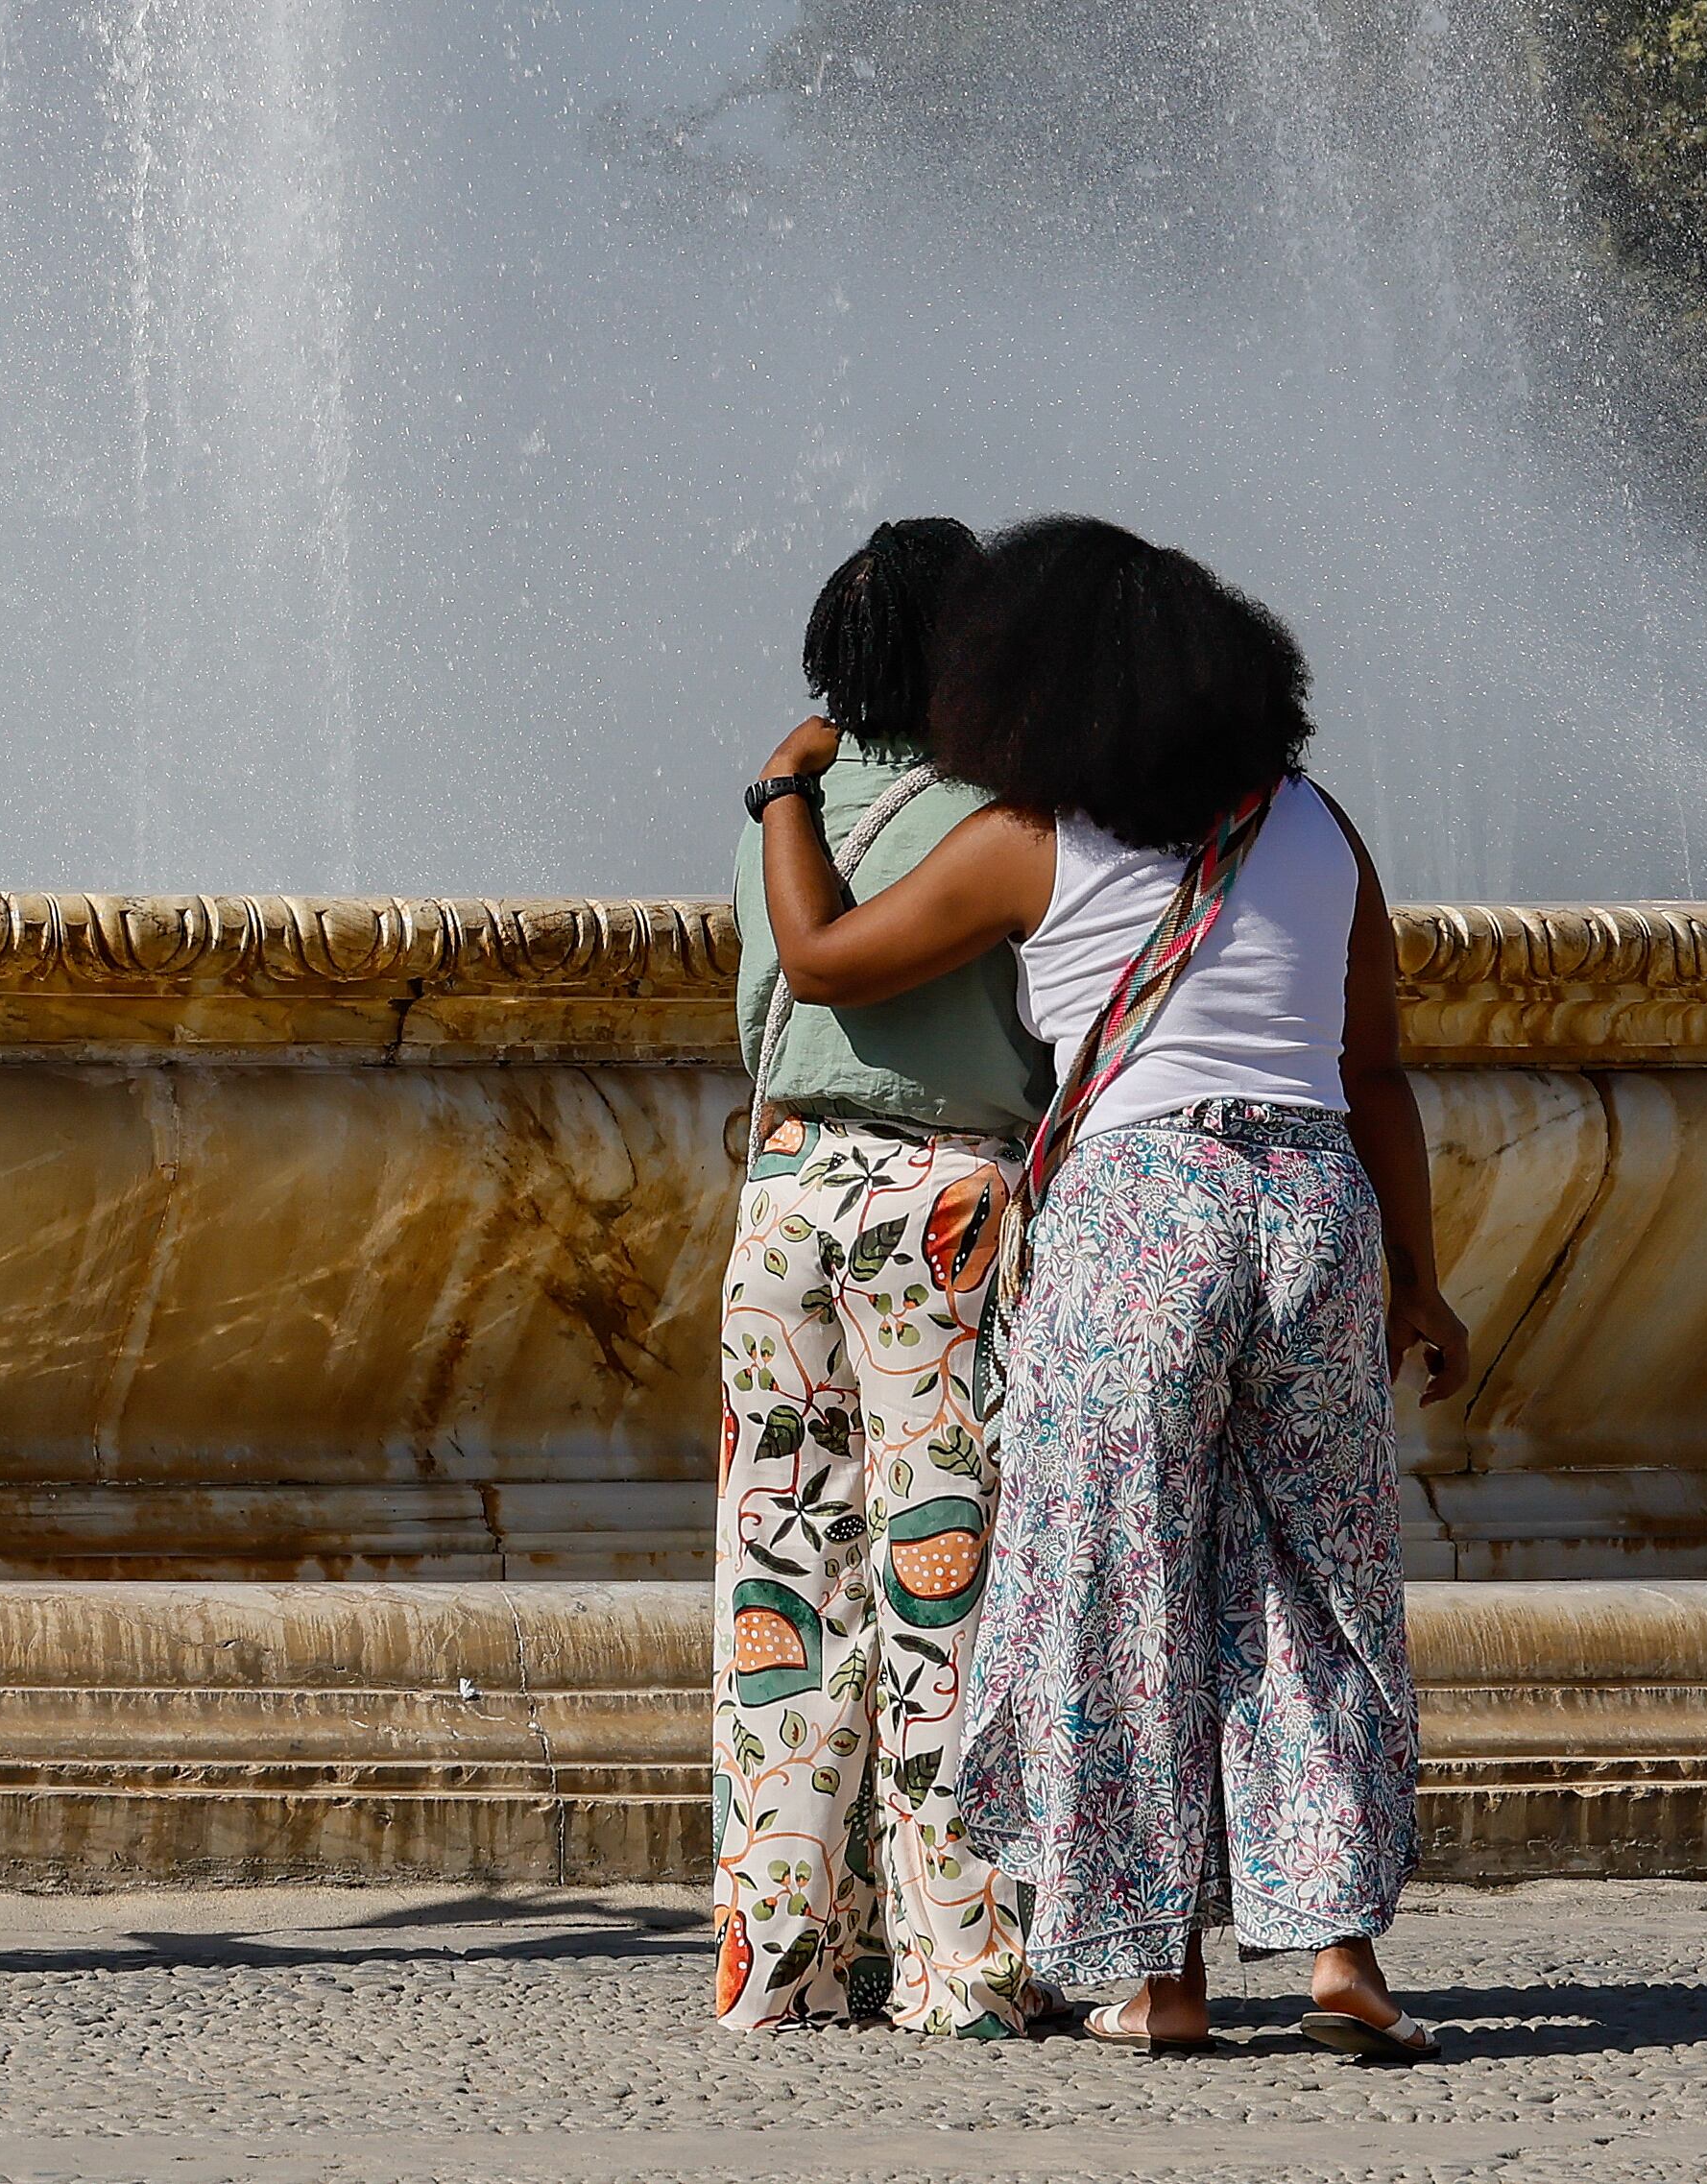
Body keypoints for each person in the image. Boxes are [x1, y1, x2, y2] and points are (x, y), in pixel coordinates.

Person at [747, 514, 1471, 2059]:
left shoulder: (1031, 837)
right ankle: (1344, 1955)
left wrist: (781, 789)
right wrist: (1422, 1283)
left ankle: (1157, 1980)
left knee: (1115, 1591)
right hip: (1316, 1205)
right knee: (1319, 1585)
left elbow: (820, 960)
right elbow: (1378, 1072)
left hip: (1144, 1209)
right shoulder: (1315, 824)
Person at [712, 517, 1056, 2037]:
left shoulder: (774, 819)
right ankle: (964, 1962)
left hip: (785, 1200)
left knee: (781, 1578)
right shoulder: (1012, 819)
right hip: (945, 1208)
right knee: (947, 1574)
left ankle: (782, 1960)